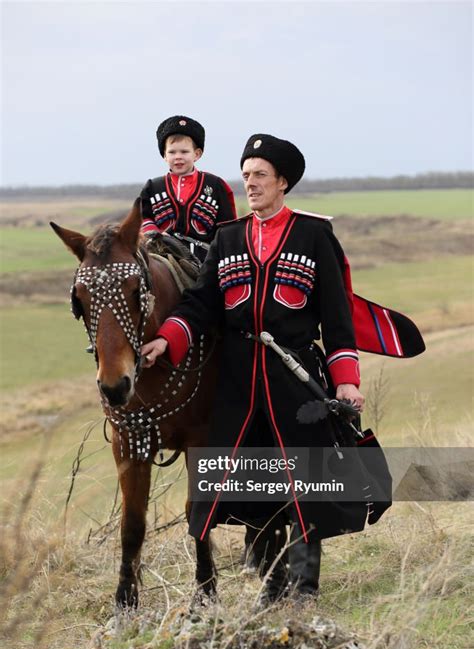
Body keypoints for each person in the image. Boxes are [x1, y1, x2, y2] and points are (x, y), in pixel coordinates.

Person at [141, 133, 370, 605]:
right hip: (240, 379)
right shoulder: (228, 237)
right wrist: (167, 338)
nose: (250, 184)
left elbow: (337, 315)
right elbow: (201, 303)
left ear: (283, 181)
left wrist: (345, 380)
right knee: (254, 481)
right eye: (245, 176)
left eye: (260, 175)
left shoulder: (314, 234)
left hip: (295, 374)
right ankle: (271, 583)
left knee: (305, 480)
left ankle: (304, 589)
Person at [140, 115, 237, 261]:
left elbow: (228, 227)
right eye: (172, 152)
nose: (178, 157)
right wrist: (155, 234)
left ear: (197, 154)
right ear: (164, 156)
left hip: (205, 259)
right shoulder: (153, 188)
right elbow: (142, 218)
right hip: (160, 256)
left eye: (184, 152)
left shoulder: (215, 185)